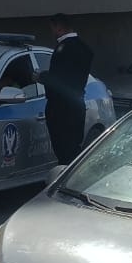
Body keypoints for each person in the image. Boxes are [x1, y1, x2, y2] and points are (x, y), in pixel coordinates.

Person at [37, 13, 93, 165]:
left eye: (52, 28)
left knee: (63, 151)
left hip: (60, 108)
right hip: (77, 104)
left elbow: (59, 80)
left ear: (59, 28)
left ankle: (65, 177)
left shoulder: (64, 49)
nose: (52, 32)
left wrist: (41, 77)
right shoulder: (85, 48)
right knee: (74, 148)